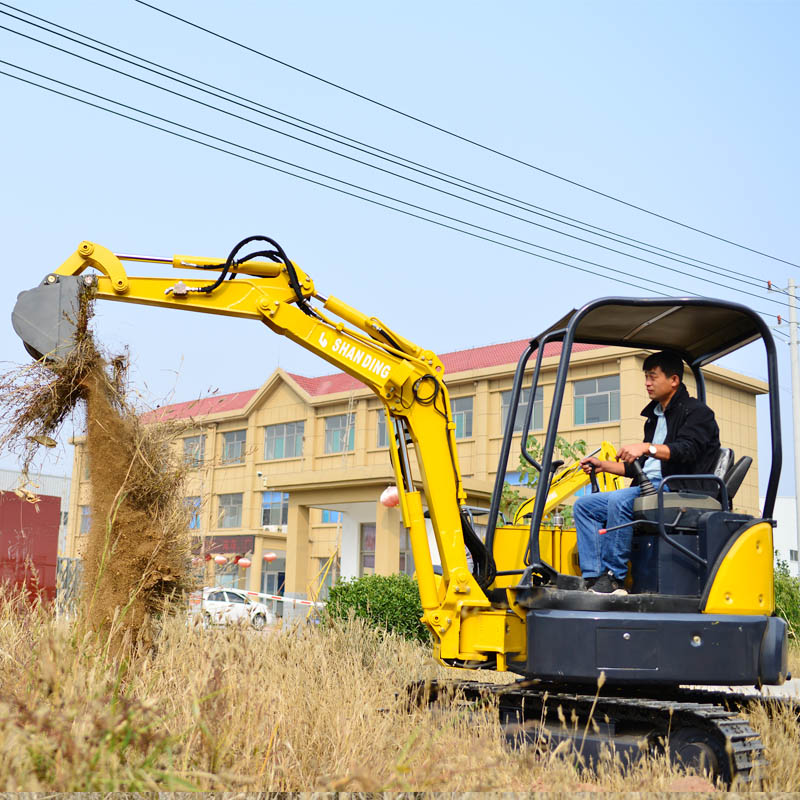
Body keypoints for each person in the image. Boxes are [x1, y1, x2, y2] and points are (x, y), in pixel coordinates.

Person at [573, 351, 720, 595]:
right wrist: (603, 465)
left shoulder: (697, 413)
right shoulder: (654, 416)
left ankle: (614, 578)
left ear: (674, 380)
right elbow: (637, 467)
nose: (647, 383)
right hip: (648, 486)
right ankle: (594, 576)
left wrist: (647, 447)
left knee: (620, 501)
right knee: (584, 506)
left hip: (680, 488)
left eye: (653, 377)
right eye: (646, 377)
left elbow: (687, 450)